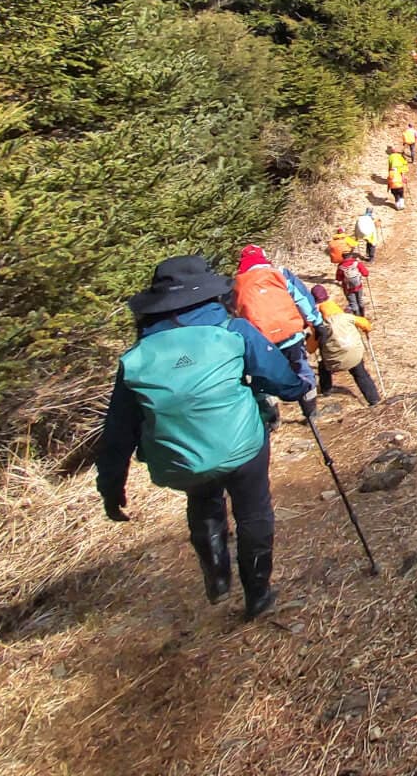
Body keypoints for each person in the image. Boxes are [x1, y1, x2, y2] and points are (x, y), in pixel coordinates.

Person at [96, 255, 313, 621]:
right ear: (209, 294)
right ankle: (257, 593)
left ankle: (217, 576)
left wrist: (111, 488)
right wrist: (298, 387)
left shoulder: (135, 357)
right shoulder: (233, 331)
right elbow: (278, 379)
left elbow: (119, 430)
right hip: (241, 444)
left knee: (202, 500)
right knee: (253, 510)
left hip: (181, 457)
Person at [232, 245, 327, 401]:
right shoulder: (279, 274)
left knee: (264, 378)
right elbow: (302, 299)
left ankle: (270, 411)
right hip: (291, 334)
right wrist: (317, 323)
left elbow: (237, 314)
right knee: (301, 369)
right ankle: (309, 405)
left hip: (263, 342)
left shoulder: (237, 284)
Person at [310, 285, 380, 405]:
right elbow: (367, 325)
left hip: (333, 361)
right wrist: (366, 330)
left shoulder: (320, 326)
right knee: (360, 373)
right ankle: (374, 399)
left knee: (323, 366)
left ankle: (326, 390)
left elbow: (310, 349)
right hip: (354, 355)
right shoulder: (346, 317)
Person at [336, 249, 370, 317]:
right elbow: (366, 273)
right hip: (358, 285)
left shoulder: (340, 266)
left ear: (343, 257)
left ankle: (357, 318)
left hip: (348, 288)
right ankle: (363, 316)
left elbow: (338, 278)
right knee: (360, 300)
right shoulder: (357, 263)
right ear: (351, 255)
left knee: (353, 303)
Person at [386, 145, 409, 211]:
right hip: (399, 183)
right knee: (401, 193)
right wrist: (404, 178)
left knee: (396, 195)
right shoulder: (400, 158)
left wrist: (388, 187)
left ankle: (397, 205)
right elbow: (403, 169)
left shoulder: (390, 157)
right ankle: (401, 205)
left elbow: (389, 168)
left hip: (392, 182)